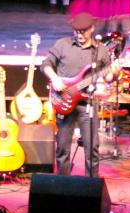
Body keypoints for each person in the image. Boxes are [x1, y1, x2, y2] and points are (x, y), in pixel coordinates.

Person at [41, 11, 117, 177]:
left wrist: (114, 72)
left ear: (92, 29)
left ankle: (91, 184)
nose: (80, 35)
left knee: (92, 148)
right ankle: (62, 182)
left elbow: (108, 76)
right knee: (62, 147)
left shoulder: (100, 50)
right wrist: (54, 78)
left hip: (87, 103)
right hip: (63, 100)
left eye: (83, 31)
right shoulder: (63, 44)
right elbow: (45, 64)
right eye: (76, 31)